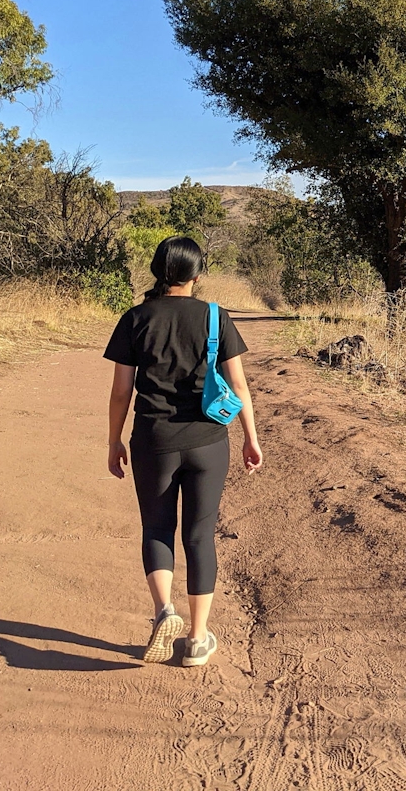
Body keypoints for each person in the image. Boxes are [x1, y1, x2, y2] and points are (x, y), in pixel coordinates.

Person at [103, 235, 263, 667]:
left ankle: (164, 612)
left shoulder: (135, 318)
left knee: (156, 529)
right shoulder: (216, 318)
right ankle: (196, 640)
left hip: (152, 441)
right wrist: (250, 436)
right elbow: (239, 386)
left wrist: (114, 439)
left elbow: (122, 391)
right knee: (198, 536)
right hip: (208, 442)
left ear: (158, 271)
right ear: (197, 274)